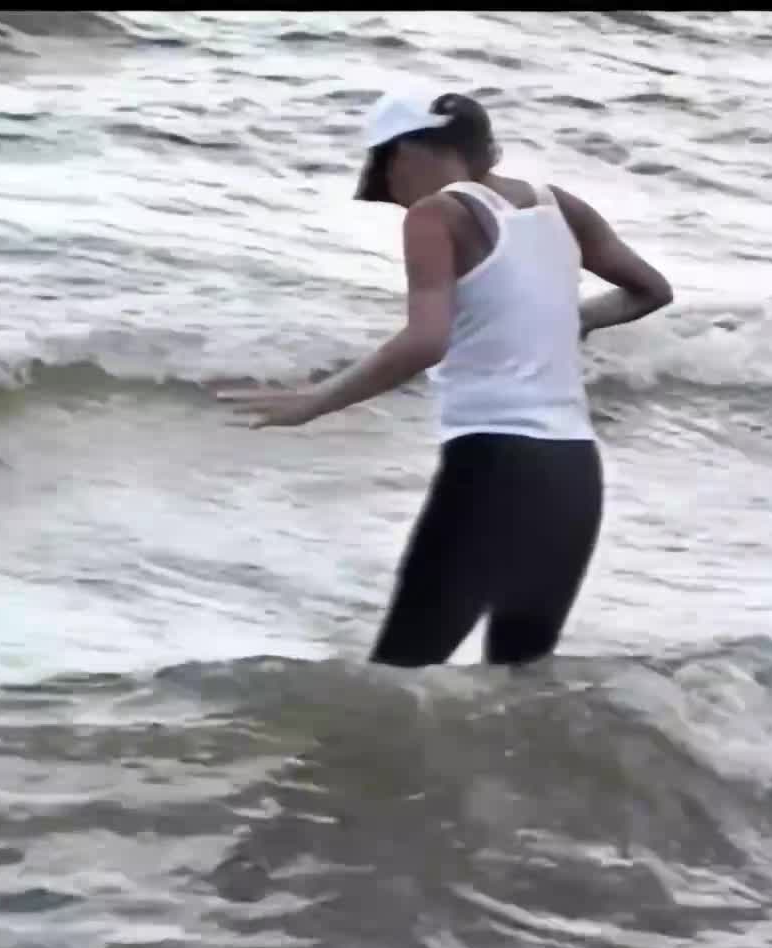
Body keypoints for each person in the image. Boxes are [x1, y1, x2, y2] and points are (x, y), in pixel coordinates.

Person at [219, 88, 674, 667]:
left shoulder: (437, 214)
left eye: (385, 164)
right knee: (518, 678)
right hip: (575, 472)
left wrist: (315, 401)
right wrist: (572, 319)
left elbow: (426, 340)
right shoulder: (559, 206)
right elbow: (651, 290)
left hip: (494, 465)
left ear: (410, 151)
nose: (390, 186)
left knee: (399, 673)